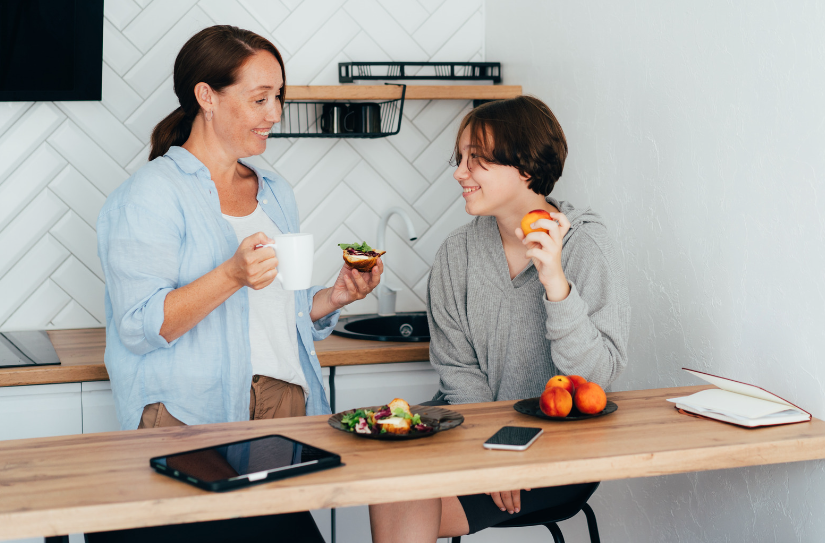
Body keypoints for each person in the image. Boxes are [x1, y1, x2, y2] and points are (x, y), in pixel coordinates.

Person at [94, 25, 381, 542]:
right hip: (190, 411)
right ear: (206, 96)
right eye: (259, 99)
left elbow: (277, 311)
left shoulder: (273, 191)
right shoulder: (151, 196)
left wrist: (333, 298)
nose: (274, 114)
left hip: (281, 405)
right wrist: (229, 274)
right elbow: (139, 327)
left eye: (279, 98)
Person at [368, 96, 630, 542]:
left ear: (526, 168)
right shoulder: (457, 253)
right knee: (387, 468)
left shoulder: (585, 247)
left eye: (478, 160)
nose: (459, 173)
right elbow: (458, 371)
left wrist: (555, 283)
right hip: (471, 435)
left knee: (405, 492)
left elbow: (597, 381)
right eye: (460, 159)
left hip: (559, 453)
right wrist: (490, 450)